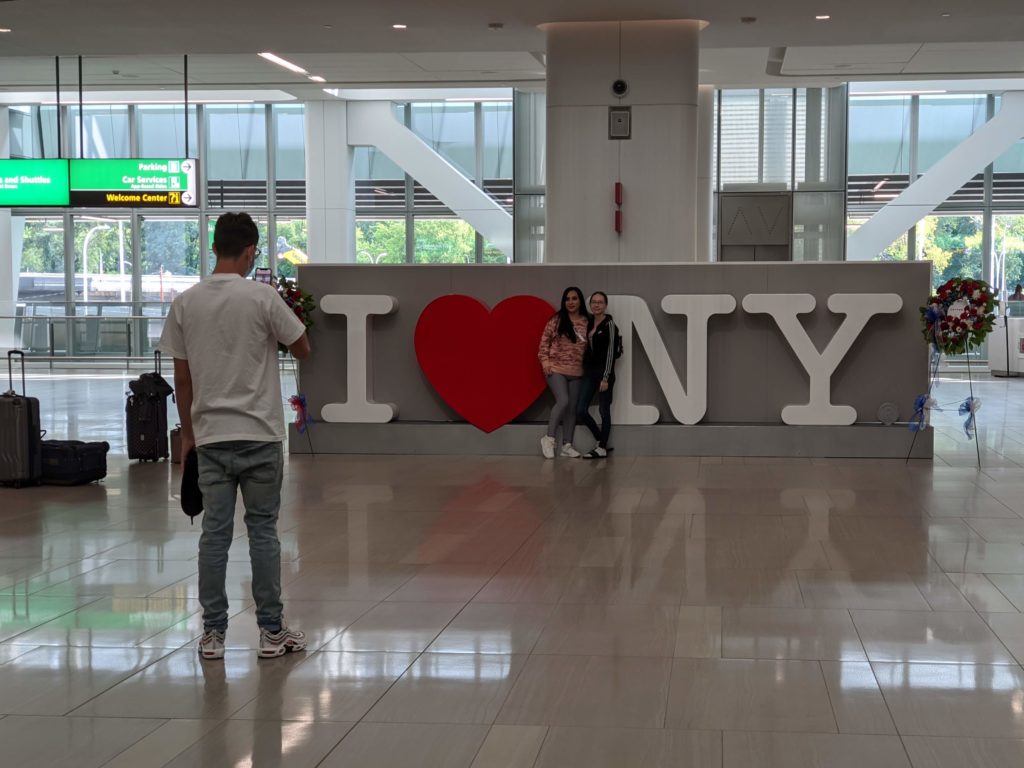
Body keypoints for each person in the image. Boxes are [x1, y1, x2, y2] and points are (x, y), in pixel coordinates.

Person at [158, 212, 311, 661]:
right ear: (250, 251)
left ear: (213, 248)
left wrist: (188, 437)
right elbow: (302, 346)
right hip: (260, 433)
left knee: (214, 535)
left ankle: (212, 635)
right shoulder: (262, 297)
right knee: (263, 532)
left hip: (210, 437)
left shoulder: (186, 302)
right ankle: (271, 632)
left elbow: (181, 380)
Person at [538, 286, 590, 459]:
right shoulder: (556, 320)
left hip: (577, 371)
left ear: (580, 300)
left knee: (571, 409)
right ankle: (549, 438)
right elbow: (543, 344)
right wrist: (545, 363)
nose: (571, 302)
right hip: (556, 369)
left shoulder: (587, 321)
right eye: (567, 299)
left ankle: (567, 445)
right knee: (563, 401)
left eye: (574, 298)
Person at [576, 291, 618, 458]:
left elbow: (611, 353)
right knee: (581, 410)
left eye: (600, 302)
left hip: (604, 373)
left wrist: (606, 377)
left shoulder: (610, 326)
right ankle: (602, 442)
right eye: (594, 302)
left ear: (605, 305)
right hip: (590, 372)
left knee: (603, 409)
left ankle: (601, 448)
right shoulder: (588, 323)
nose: (596, 305)